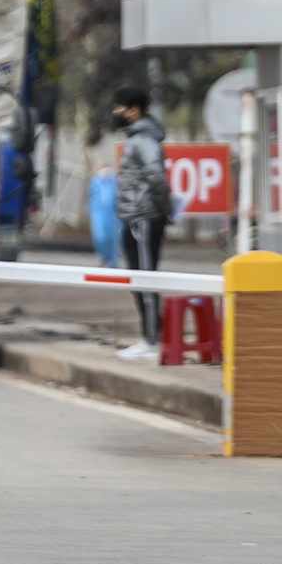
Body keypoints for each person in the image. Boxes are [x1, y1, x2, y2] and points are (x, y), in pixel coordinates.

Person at [111, 86, 171, 361]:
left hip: (144, 217)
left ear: (134, 110)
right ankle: (149, 336)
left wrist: (164, 209)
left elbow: (156, 177)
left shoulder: (144, 139)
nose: (115, 112)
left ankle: (151, 339)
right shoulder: (137, 138)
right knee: (137, 278)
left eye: (119, 107)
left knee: (145, 278)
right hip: (136, 217)